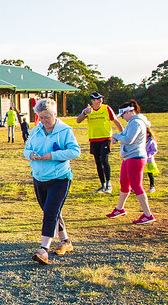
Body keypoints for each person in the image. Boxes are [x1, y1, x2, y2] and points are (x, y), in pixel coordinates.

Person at [22, 98, 80, 264]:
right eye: (41, 117)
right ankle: (65, 242)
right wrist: (31, 155)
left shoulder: (65, 131)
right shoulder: (35, 131)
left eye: (47, 117)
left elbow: (75, 151)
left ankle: (43, 250)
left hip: (59, 178)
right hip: (39, 177)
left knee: (50, 212)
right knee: (52, 211)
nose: (44, 121)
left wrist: (53, 156)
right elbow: (26, 149)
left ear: (55, 114)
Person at [106, 101, 156, 225]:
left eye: (123, 115)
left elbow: (128, 139)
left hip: (136, 157)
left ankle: (148, 214)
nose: (122, 117)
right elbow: (125, 135)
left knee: (136, 185)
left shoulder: (136, 122)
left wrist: (116, 136)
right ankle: (119, 209)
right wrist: (118, 136)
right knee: (124, 183)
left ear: (129, 111)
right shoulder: (132, 122)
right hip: (129, 157)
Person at [75, 92, 123, 194]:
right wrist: (85, 113)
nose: (100, 100)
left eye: (101, 99)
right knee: (98, 162)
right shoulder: (88, 110)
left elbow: (116, 121)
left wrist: (123, 135)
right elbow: (78, 120)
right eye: (97, 99)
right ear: (92, 100)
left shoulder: (106, 108)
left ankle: (109, 184)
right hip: (93, 139)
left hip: (105, 138)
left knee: (104, 160)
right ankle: (103, 184)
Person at [144, 128, 160, 194]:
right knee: (139, 174)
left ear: (148, 134)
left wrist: (148, 155)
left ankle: (152, 186)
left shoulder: (152, 142)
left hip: (149, 160)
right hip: (141, 159)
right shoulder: (140, 140)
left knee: (150, 174)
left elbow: (154, 150)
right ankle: (136, 187)